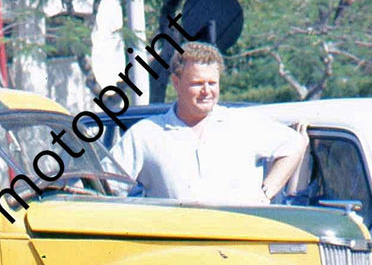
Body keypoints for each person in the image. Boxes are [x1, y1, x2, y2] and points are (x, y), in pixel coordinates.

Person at [109, 41, 306, 205]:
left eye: (212, 83)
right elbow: (105, 184)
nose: (207, 91)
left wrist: (265, 193)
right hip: (176, 247)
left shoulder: (242, 123)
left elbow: (294, 143)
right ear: (176, 83)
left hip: (241, 245)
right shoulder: (146, 134)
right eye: (197, 84)